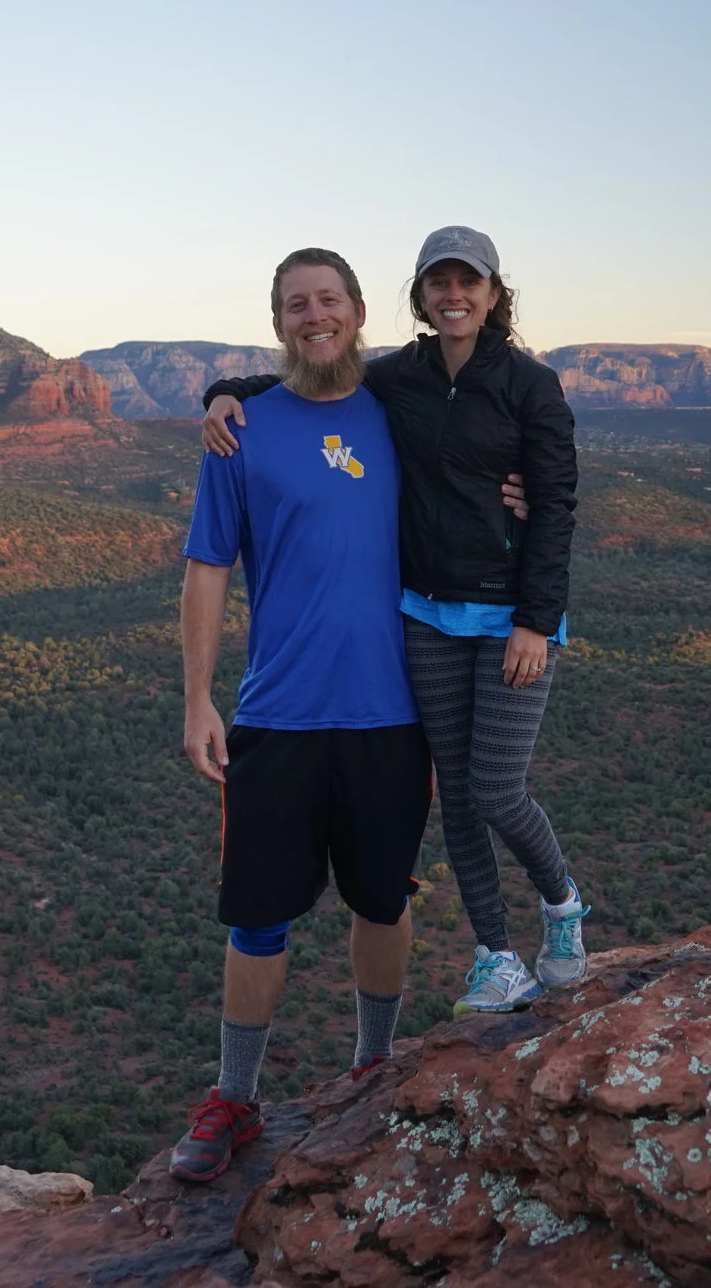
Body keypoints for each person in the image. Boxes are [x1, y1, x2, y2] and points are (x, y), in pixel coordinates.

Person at [202, 225, 586, 1018]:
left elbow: (555, 507)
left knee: (491, 790)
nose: (454, 296)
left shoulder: (525, 383)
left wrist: (536, 621)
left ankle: (562, 908)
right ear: (417, 298)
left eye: (467, 282)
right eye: (438, 283)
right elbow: (311, 372)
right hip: (417, 622)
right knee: (451, 809)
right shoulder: (399, 378)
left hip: (497, 624)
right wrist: (220, 391)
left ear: (490, 291)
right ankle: (493, 957)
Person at [170, 246, 431, 1184]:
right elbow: (208, 565)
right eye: (295, 305)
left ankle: (373, 1066)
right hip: (277, 714)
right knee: (258, 916)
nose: (313, 315)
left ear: (359, 311)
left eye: (328, 300)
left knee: (383, 900)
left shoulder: (407, 416)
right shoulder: (244, 431)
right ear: (278, 321)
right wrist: (200, 696)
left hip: (394, 714)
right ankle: (235, 1096)